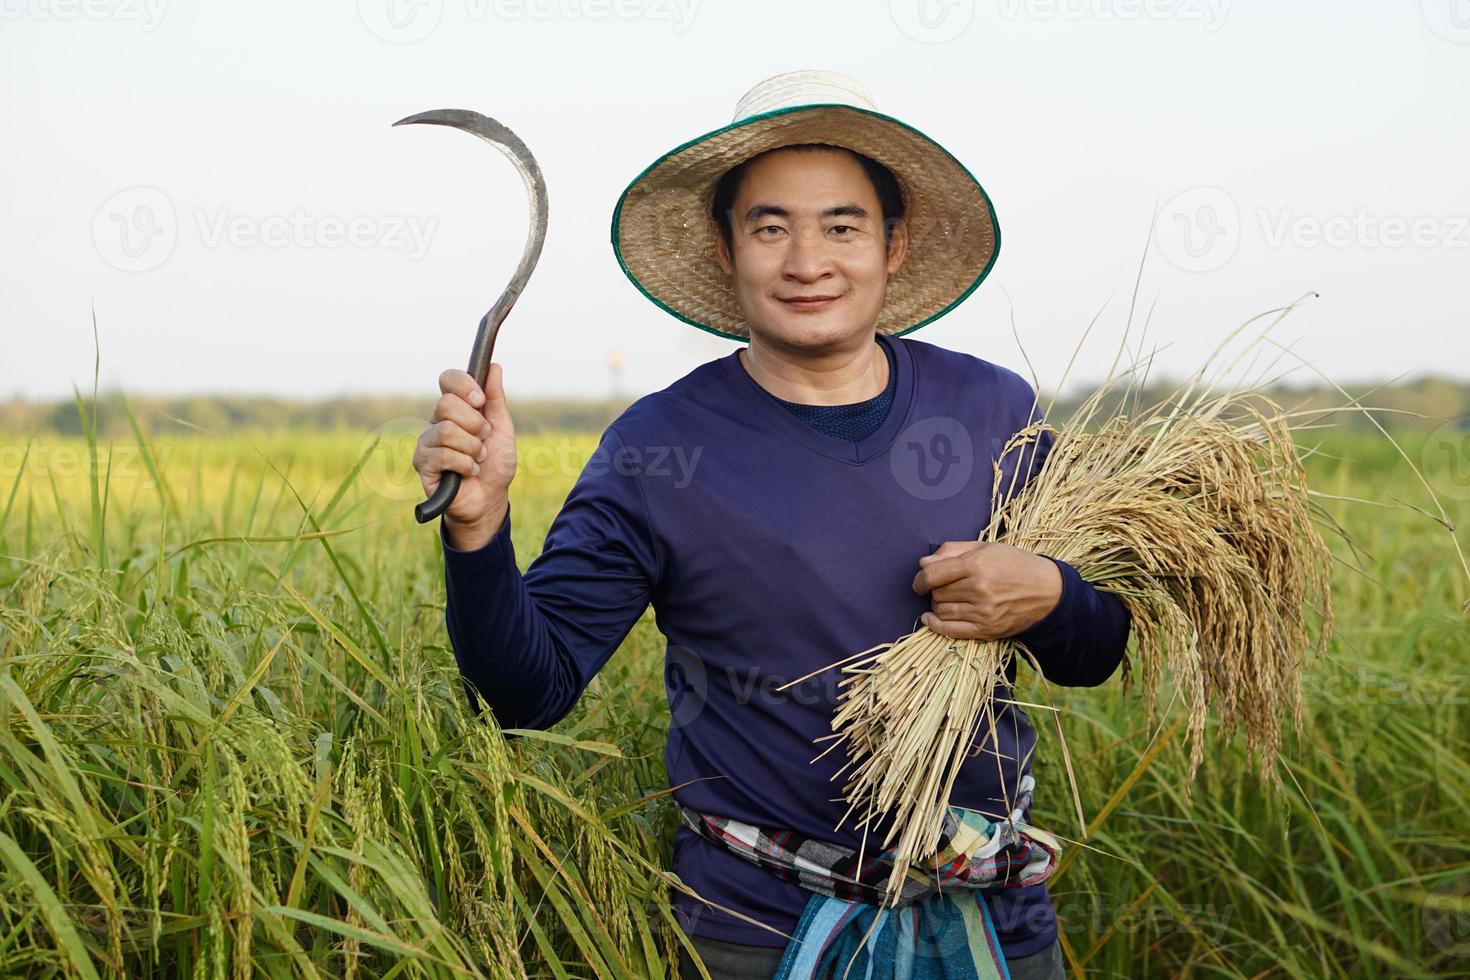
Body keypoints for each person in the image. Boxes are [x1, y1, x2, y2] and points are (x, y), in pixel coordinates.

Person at [412, 69, 1129, 980]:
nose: (806, 262)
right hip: (758, 931)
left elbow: (1094, 649)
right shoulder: (658, 447)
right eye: (769, 227)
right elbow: (526, 692)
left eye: (841, 226)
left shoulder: (992, 409)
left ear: (893, 243)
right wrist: (478, 530)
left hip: (995, 924)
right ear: (725, 248)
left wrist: (1053, 594)